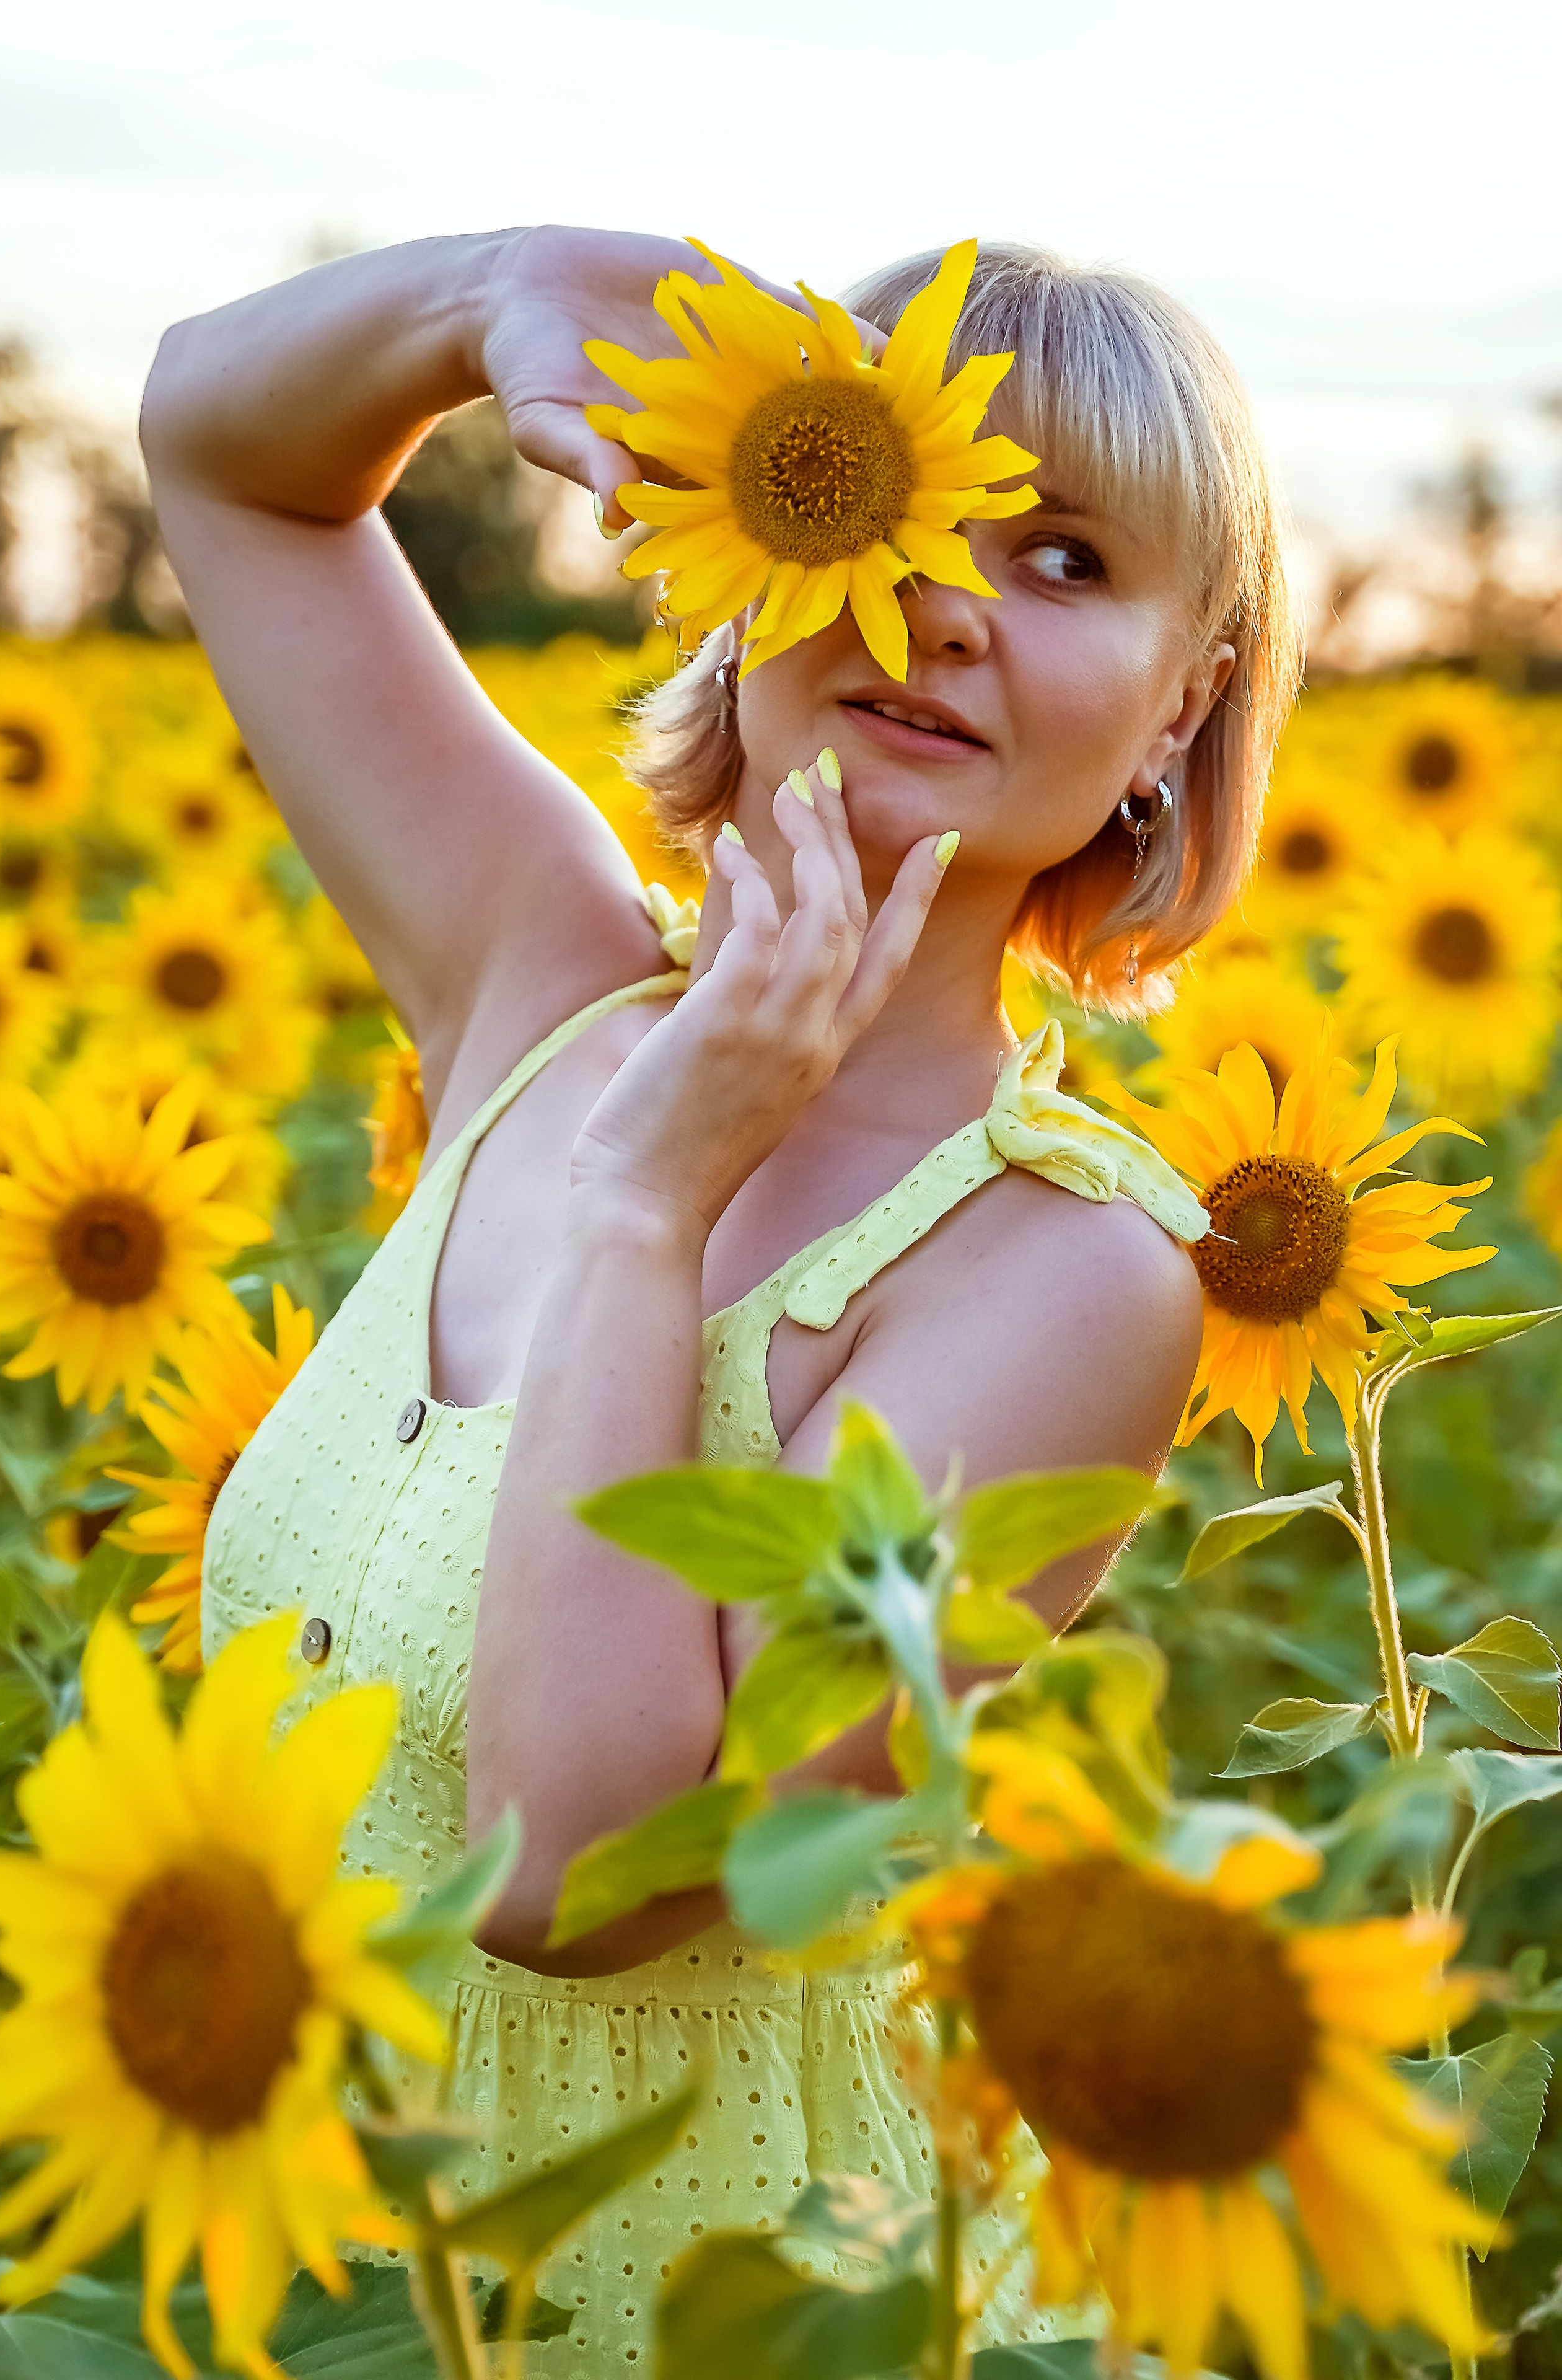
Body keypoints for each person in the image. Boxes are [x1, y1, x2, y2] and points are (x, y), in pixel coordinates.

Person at [140, 225, 1301, 2367]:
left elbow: (577, 1875)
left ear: (1183, 702)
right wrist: (491, 298)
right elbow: (221, 451)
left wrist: (647, 1202)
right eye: (890, 502)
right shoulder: (535, 974)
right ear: (742, 548)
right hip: (268, 2268)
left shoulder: (1069, 1272)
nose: (943, 600)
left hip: (709, 2317)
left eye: (1062, 560)